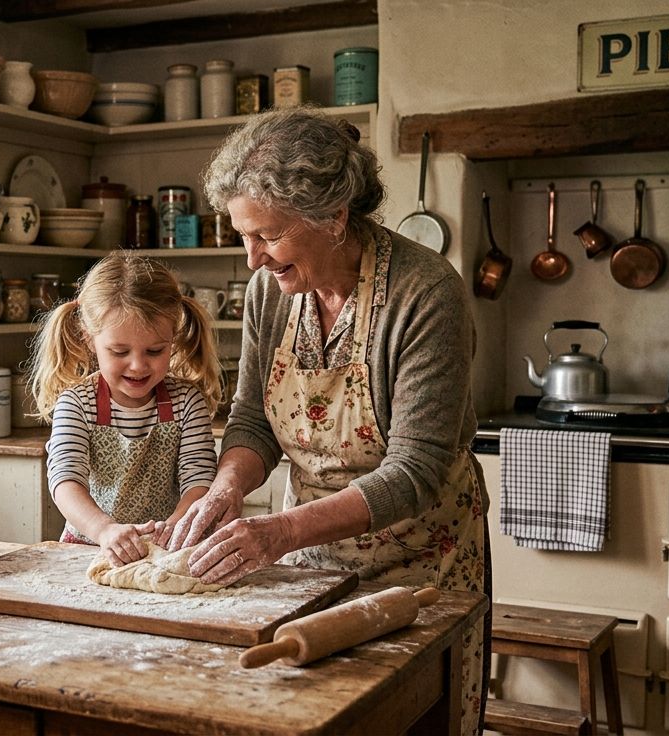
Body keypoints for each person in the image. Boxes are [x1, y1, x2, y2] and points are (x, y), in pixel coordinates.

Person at [165, 107, 488, 733]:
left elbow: (416, 470)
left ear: (334, 218)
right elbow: (253, 418)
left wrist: (277, 533)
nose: (253, 258)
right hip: (308, 559)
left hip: (423, 561)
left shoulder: (425, 295)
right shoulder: (271, 292)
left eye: (267, 235)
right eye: (241, 234)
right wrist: (228, 487)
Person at [29, 254, 223, 567]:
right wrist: (104, 530)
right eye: (120, 351)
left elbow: (199, 479)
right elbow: (65, 481)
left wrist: (174, 528)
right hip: (89, 550)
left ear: (172, 339)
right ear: (90, 340)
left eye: (155, 350)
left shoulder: (187, 403)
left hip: (165, 553)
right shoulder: (77, 404)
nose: (138, 365)